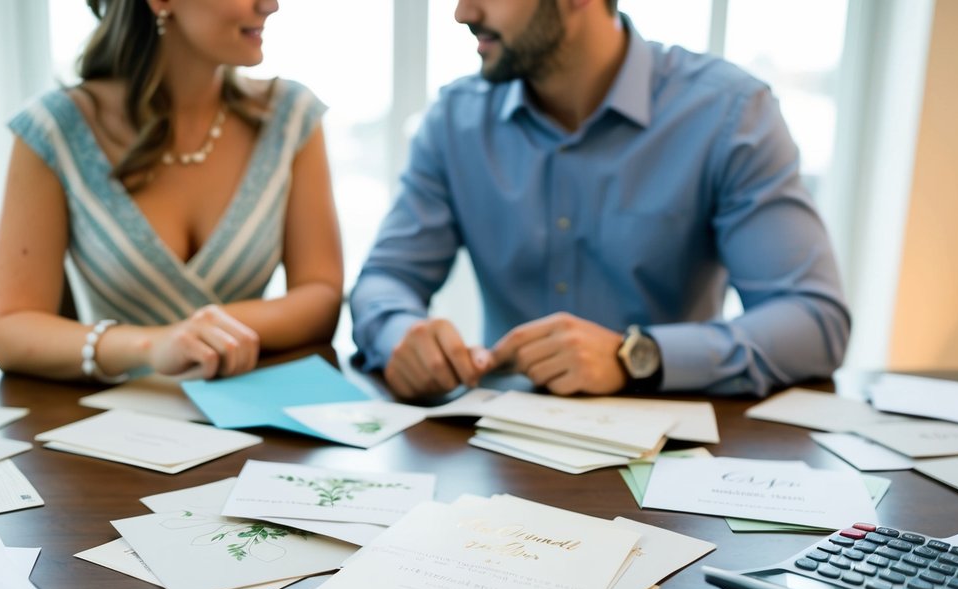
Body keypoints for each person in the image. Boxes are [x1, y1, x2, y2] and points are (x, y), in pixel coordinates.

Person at [350, 0, 850, 401]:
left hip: (672, 456)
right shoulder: (454, 121)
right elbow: (385, 280)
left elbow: (812, 320)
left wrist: (635, 356)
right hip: (500, 450)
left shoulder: (729, 113)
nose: (463, 12)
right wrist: (402, 336)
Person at [0, 0, 343, 383]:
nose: (270, 5)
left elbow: (320, 295)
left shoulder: (290, 116)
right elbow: (10, 328)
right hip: (115, 422)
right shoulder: (54, 129)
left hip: (256, 420)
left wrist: (204, 334)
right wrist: (152, 346)